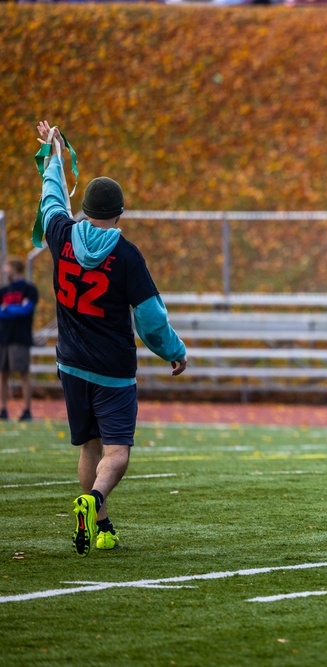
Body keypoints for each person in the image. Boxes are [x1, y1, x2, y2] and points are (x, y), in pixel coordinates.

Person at [35, 121, 188, 557]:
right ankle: (95, 502)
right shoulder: (126, 254)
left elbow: (50, 200)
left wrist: (54, 156)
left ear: (82, 208)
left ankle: (101, 527)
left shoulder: (61, 233)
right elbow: (151, 320)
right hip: (113, 370)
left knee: (90, 445)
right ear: (120, 214)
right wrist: (174, 352)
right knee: (117, 451)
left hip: (70, 363)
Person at [0, 259, 39, 422]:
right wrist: (14, 310)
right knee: (3, 374)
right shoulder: (3, 290)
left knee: (23, 373)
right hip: (3, 337)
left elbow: (26, 310)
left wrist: (7, 308)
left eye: (6, 266)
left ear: (15, 268)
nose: (4, 269)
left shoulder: (29, 289)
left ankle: (27, 410)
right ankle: (3, 410)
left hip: (20, 338)